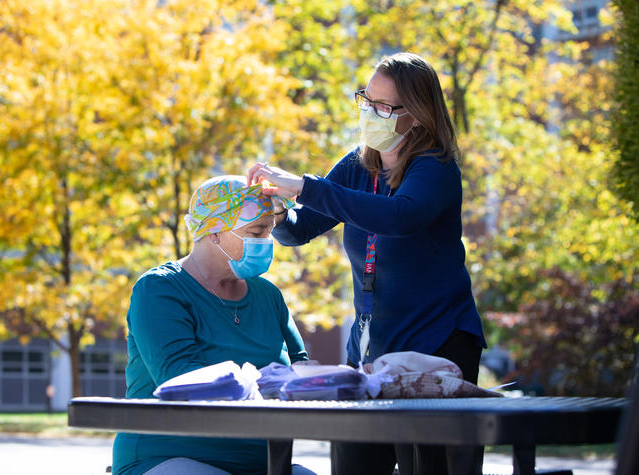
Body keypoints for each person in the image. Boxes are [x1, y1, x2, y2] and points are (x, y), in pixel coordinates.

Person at [248, 52, 487, 475]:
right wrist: (280, 210)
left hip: (436, 346)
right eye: (366, 100)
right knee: (354, 463)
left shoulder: (435, 167)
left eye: (382, 106)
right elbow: (298, 232)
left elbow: (400, 216)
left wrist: (304, 186)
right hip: (371, 352)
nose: (369, 113)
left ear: (416, 114)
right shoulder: (359, 164)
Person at [112, 176, 313, 475]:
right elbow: (180, 379)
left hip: (267, 463)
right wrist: (271, 384)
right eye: (256, 231)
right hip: (166, 457)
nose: (266, 242)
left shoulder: (268, 295)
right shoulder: (158, 290)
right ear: (214, 232)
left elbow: (302, 372)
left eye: (269, 232)